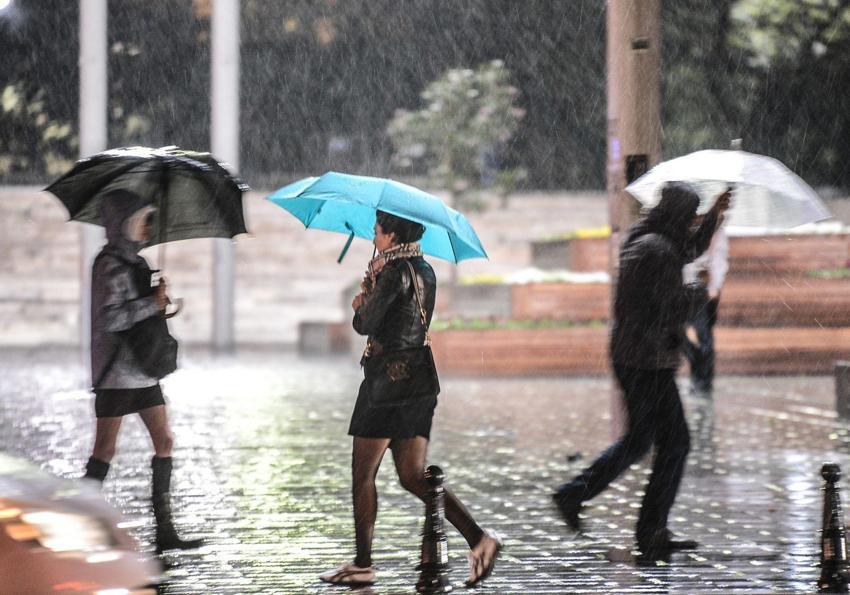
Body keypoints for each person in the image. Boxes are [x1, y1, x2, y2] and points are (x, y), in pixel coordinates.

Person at [552, 182, 731, 563]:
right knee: (674, 443)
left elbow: (686, 251)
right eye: (691, 216)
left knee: (641, 441)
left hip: (637, 356)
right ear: (677, 216)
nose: (691, 224)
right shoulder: (658, 251)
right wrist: (701, 291)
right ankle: (647, 530)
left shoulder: (649, 240)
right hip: (646, 361)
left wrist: (715, 215)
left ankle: (583, 498)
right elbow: (670, 308)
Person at [320, 210, 501, 587]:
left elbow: (364, 324)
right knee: (414, 476)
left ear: (392, 235)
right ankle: (479, 539)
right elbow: (406, 320)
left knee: (363, 475)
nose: (373, 235)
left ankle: (363, 563)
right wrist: (374, 288)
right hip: (420, 380)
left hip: (386, 384)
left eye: (377, 230)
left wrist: (363, 299)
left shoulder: (392, 272)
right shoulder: (425, 270)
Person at [82, 189, 202, 554]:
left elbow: (140, 315)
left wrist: (159, 303)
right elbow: (111, 318)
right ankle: (76, 520)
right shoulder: (108, 265)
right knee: (104, 451)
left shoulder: (137, 264)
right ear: (124, 225)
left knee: (164, 441)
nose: (149, 228)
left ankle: (165, 530)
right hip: (117, 374)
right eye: (143, 221)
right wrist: (149, 303)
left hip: (144, 371)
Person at [682, 220, 728, 395]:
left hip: (704, 288)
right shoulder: (682, 224)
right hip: (684, 288)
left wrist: (715, 286)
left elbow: (719, 258)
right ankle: (699, 370)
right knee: (678, 335)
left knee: (704, 336)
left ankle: (703, 380)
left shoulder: (716, 230)